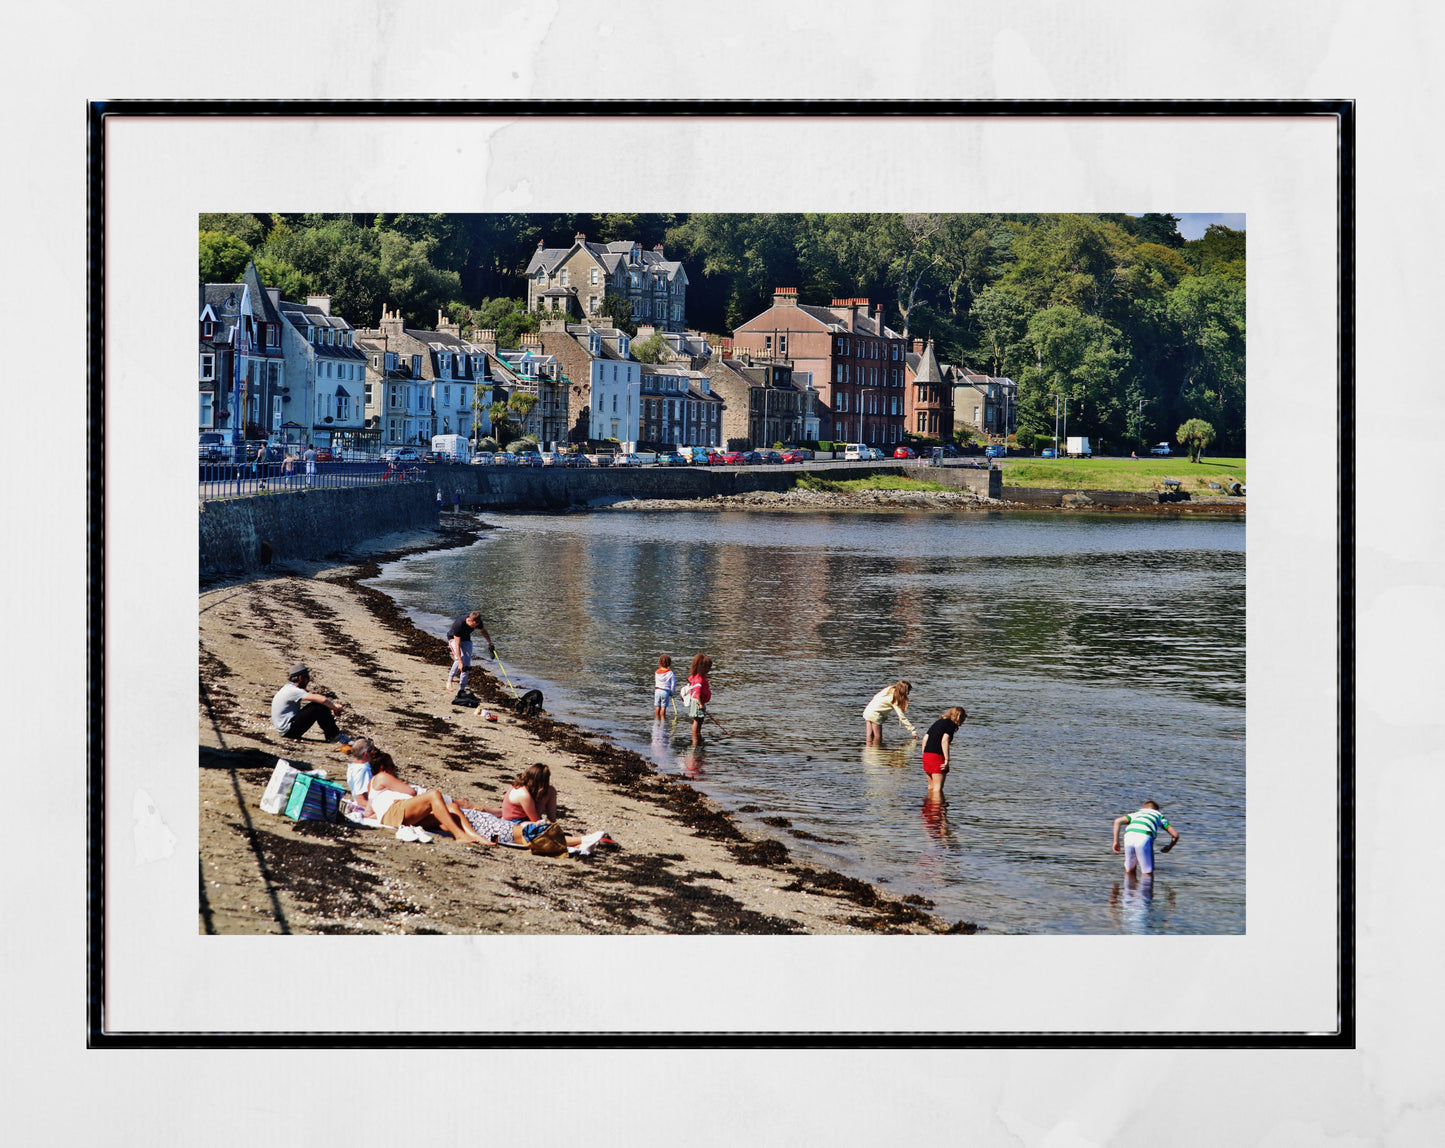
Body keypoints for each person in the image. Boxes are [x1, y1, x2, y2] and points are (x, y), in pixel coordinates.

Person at [361, 749, 489, 845]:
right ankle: (459, 835)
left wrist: (383, 815)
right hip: (396, 811)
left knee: (452, 807)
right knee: (434, 794)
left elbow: (368, 813)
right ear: (383, 767)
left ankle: (474, 836)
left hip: (395, 816)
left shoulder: (372, 784)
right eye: (392, 766)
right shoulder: (382, 776)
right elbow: (411, 792)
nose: (394, 769)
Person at [270, 663, 349, 743]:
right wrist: (335, 707)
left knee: (319, 704)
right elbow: (323, 700)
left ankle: (333, 735)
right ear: (301, 678)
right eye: (307, 678)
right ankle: (335, 736)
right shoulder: (294, 691)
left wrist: (329, 707)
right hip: (288, 730)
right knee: (318, 706)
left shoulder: (288, 688)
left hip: (284, 729)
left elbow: (310, 694)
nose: (308, 682)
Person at [1111, 799, 1181, 876]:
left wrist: (1116, 842)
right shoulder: (1159, 815)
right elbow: (1175, 835)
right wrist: (1170, 846)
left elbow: (1117, 821)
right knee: (1147, 873)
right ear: (1157, 810)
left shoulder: (1136, 813)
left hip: (1128, 837)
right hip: (1144, 837)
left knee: (1129, 871)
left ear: (1143, 808)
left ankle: (1127, 886)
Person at [445, 610, 494, 705]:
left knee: (467, 663)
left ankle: (461, 690)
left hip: (466, 639)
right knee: (461, 658)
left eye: (476, 626)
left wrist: (489, 642)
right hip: (453, 639)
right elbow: (458, 644)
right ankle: (449, 680)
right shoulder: (459, 624)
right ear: (469, 620)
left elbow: (483, 631)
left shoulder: (478, 622)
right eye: (473, 625)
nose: (474, 627)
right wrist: (459, 662)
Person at [921, 705, 966, 799]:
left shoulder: (938, 722)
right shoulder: (951, 724)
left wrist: (924, 754)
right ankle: (937, 811)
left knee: (931, 786)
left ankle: (928, 810)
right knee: (938, 788)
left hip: (927, 754)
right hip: (937, 756)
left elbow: (925, 738)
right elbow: (944, 739)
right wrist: (946, 760)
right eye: (962, 720)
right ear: (958, 717)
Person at [863, 680, 917, 744]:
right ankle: (876, 752)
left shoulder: (889, 689)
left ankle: (868, 752)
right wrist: (912, 731)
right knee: (878, 738)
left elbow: (876, 696)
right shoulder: (895, 699)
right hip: (875, 715)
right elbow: (901, 717)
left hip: (868, 711)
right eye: (908, 691)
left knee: (869, 736)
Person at [685, 653, 713, 746]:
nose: (709, 671)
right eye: (708, 668)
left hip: (699, 702)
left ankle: (697, 735)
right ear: (704, 667)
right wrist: (700, 704)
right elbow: (697, 692)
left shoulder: (697, 676)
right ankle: (695, 738)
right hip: (698, 702)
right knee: (698, 720)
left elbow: (690, 679)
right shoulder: (699, 679)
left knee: (699, 720)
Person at [653, 654, 676, 720]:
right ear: (669, 663)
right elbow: (673, 683)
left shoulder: (657, 672)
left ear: (659, 663)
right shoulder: (670, 673)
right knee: (663, 707)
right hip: (665, 692)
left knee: (657, 706)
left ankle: (657, 719)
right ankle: (663, 720)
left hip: (657, 691)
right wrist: (672, 692)